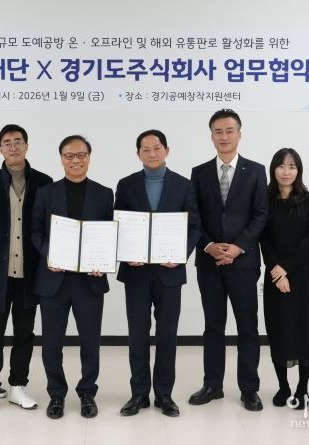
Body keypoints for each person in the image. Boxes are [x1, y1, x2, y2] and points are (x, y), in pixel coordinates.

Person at [114, 129, 201, 417]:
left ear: (167, 150)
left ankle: (164, 394)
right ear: (138, 153)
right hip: (136, 272)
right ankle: (139, 393)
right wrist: (125, 253)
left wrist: (180, 255)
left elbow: (194, 227)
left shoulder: (183, 185)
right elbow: (117, 225)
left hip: (169, 273)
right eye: (145, 149)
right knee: (137, 335)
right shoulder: (126, 184)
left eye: (157, 148)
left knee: (167, 335)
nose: (152, 154)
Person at [0, 125, 53, 416]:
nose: (13, 147)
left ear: (27, 146)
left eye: (18, 141)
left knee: (24, 333)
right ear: (0, 149)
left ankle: (18, 386)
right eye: (7, 143)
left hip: (29, 273)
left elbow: (48, 229)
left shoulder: (43, 182)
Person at [189, 109, 268, 411]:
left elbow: (261, 215)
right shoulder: (199, 172)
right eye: (218, 131)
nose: (224, 136)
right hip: (208, 263)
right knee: (213, 326)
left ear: (239, 133)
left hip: (243, 263)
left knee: (248, 327)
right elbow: (194, 216)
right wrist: (209, 246)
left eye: (229, 130)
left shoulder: (256, 170)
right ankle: (213, 385)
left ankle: (249, 388)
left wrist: (238, 248)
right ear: (211, 136)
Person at [31, 135, 114, 419]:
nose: (75, 160)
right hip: (54, 280)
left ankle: (87, 392)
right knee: (52, 344)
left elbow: (108, 234)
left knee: (90, 343)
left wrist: (102, 261)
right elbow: (36, 232)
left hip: (89, 281)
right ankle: (56, 394)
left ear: (89, 157)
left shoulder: (104, 194)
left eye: (81, 155)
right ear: (61, 159)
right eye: (69, 155)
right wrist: (51, 254)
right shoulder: (46, 193)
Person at [259, 148, 309, 410]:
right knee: (279, 330)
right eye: (281, 166)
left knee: (306, 329)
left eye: (292, 166)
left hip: (305, 275)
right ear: (273, 169)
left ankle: (302, 388)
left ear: (299, 171)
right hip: (275, 275)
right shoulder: (264, 200)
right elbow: (263, 239)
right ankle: (283, 386)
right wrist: (276, 271)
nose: (286, 172)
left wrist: (284, 268)